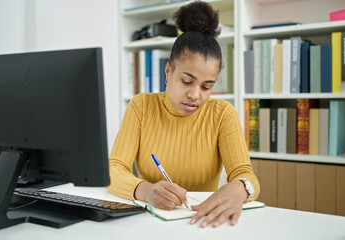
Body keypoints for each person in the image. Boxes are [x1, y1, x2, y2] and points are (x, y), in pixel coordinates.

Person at [107, 1, 260, 228]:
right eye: (187, 81)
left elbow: (246, 175)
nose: (195, 95)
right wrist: (145, 190)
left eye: (206, 86)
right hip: (147, 223)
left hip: (201, 223)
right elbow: (113, 169)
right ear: (168, 71)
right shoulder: (141, 107)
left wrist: (241, 188)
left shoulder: (222, 114)